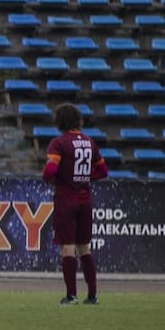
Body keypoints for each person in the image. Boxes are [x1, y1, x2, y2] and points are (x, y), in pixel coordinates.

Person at [41, 102, 108, 305]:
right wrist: (84, 177)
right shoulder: (89, 142)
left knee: (67, 248)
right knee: (84, 247)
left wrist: (58, 180)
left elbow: (50, 171)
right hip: (85, 200)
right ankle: (93, 295)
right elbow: (103, 171)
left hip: (66, 199)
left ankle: (71, 295)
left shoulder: (59, 143)